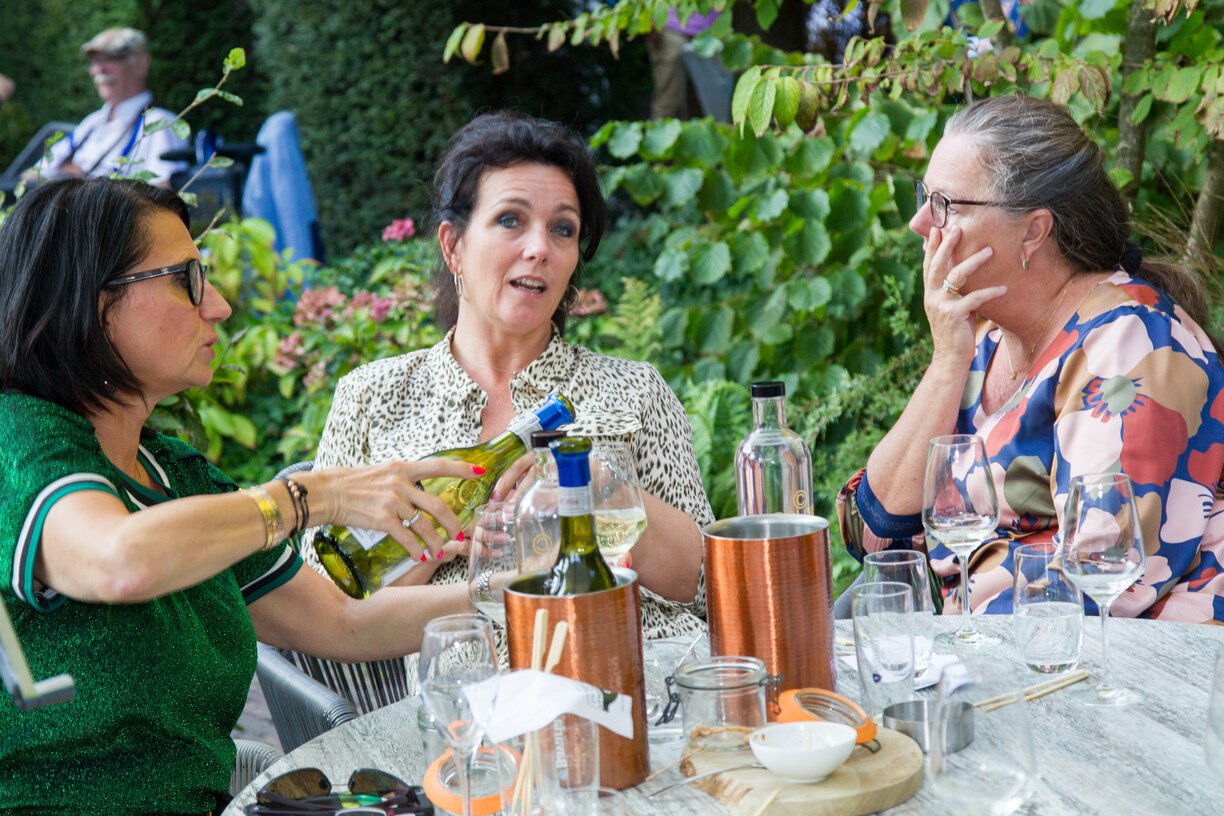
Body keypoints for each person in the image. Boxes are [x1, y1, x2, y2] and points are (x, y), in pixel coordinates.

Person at [0, 178, 475, 815]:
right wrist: (310, 496)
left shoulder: (174, 473)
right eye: (187, 280)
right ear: (90, 298)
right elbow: (118, 560)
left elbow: (340, 620)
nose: (219, 307)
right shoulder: (16, 438)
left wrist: (513, 594)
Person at [302, 112, 711, 682]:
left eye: (562, 229)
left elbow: (704, 583)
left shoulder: (635, 390)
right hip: (471, 706)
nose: (539, 247)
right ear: (453, 246)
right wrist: (440, 539)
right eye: (510, 220)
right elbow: (323, 611)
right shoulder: (371, 397)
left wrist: (596, 485)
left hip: (644, 680)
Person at [837, 94, 1224, 623]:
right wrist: (947, 360)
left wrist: (952, 640)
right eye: (925, 196)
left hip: (1132, 662)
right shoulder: (984, 337)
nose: (919, 223)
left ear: (1033, 230)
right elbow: (877, 535)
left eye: (946, 205)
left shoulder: (1131, 342)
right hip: (988, 650)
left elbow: (1102, 579)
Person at [30, 28, 187, 187]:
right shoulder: (92, 122)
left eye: (110, 59)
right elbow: (33, 175)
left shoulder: (160, 124)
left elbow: (164, 193)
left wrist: (75, 180)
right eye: (95, 62)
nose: (99, 70)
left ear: (141, 64)